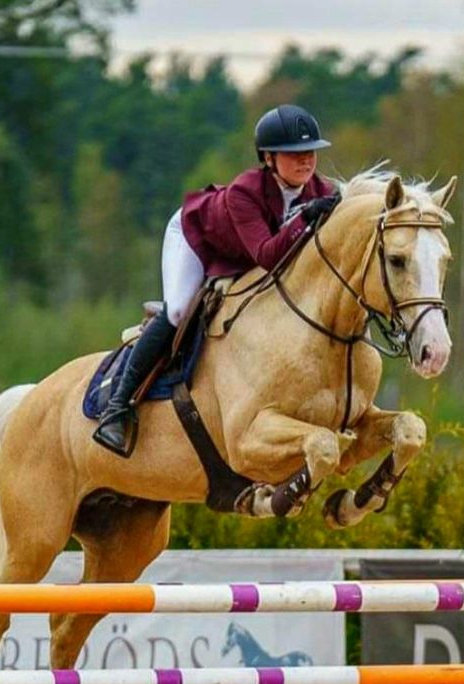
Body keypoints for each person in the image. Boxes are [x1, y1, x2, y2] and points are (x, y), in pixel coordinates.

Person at [93, 104, 340, 457]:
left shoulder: (322, 191)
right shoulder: (245, 192)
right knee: (179, 310)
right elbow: (269, 256)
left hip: (247, 255)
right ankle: (117, 406)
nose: (306, 161)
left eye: (310, 152)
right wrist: (306, 221)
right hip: (195, 238)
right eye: (294, 154)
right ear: (268, 158)